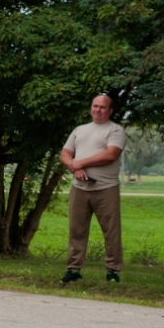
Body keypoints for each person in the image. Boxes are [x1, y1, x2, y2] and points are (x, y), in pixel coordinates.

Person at [59, 95, 127, 284]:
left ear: (110, 110)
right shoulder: (80, 130)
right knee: (76, 230)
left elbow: (110, 155)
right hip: (79, 188)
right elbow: (65, 153)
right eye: (95, 106)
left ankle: (113, 270)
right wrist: (75, 166)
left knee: (111, 231)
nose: (98, 110)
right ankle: (73, 269)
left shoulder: (116, 130)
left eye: (102, 107)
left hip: (106, 188)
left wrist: (80, 162)